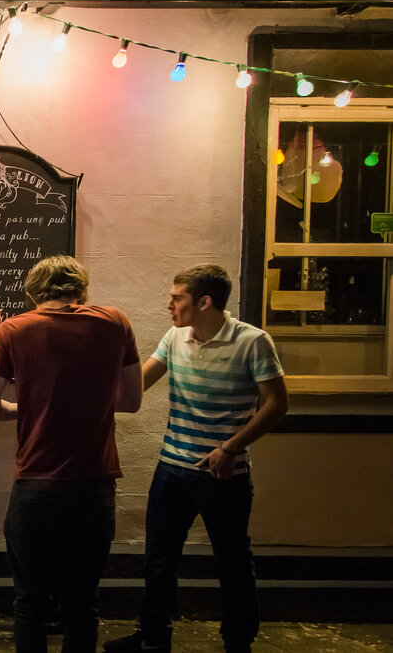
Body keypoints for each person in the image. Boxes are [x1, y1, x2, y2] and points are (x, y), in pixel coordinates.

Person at [104, 265, 288, 653]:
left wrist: (231, 448)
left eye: (177, 298)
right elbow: (136, 387)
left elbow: (276, 404)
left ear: (204, 301)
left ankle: (238, 643)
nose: (169, 304)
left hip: (223, 473)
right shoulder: (175, 337)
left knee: (232, 562)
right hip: (172, 467)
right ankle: (153, 637)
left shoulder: (253, 342)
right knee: (158, 559)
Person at [0, 255, 143, 653]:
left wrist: (30, 406)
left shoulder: (15, 329)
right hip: (94, 483)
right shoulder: (115, 322)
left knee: (30, 601)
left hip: (37, 484)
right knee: (82, 602)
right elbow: (131, 400)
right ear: (80, 288)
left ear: (34, 291)